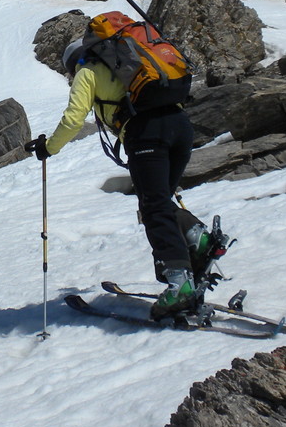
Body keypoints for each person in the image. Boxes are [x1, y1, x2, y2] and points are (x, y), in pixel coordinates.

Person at [25, 37, 222, 321]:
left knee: (153, 207)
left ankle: (180, 283)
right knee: (159, 203)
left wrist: (48, 148)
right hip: (180, 127)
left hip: (147, 135)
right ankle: (199, 240)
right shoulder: (134, 63)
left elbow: (73, 120)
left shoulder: (88, 72)